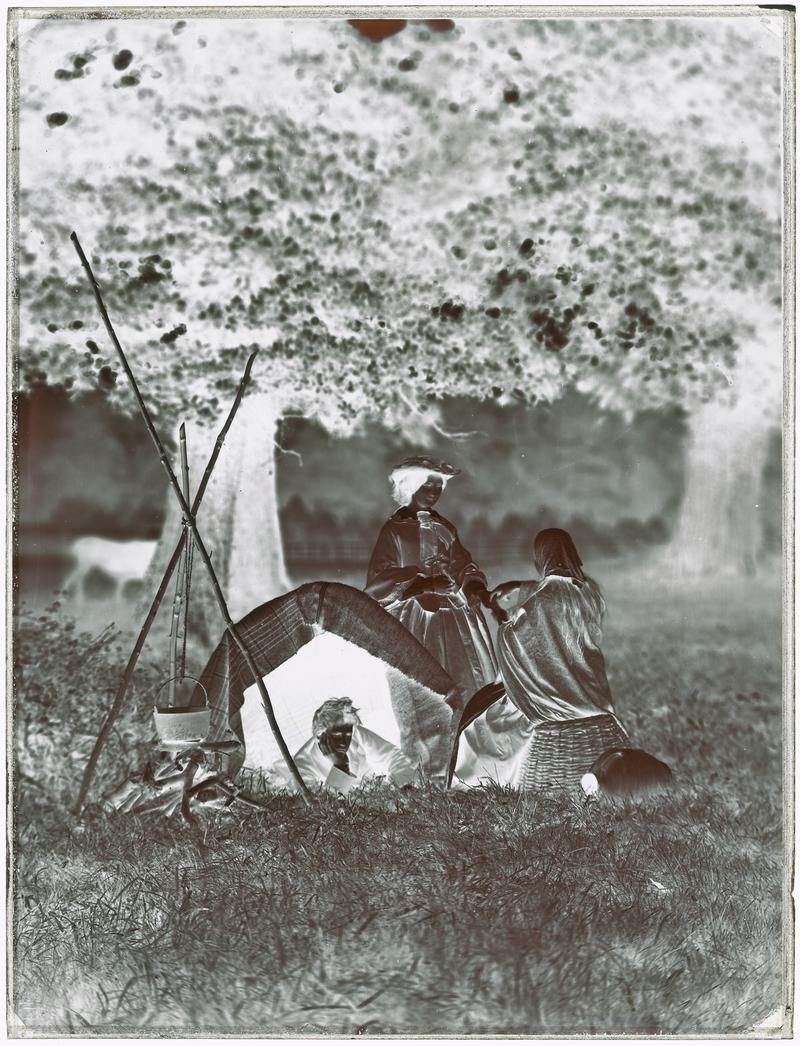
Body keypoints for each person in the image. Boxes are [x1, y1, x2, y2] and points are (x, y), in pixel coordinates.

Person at [452, 528, 628, 788]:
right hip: (591, 695)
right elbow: (559, 597)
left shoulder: (540, 602)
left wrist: (504, 621)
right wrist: (521, 589)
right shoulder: (589, 594)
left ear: (541, 559)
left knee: (480, 722)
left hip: (552, 700)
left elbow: (516, 637)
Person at [365, 456, 498, 695]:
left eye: (438, 487)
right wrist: (426, 584)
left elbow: (463, 564)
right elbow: (380, 576)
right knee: (424, 683)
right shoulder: (395, 528)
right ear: (411, 486)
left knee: (466, 677)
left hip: (454, 612)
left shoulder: (444, 527)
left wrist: (474, 587)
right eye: (427, 485)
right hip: (416, 614)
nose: (434, 492)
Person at [282, 697, 420, 794]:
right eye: (336, 736)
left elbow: (392, 756)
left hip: (373, 793)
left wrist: (405, 786)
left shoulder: (356, 734)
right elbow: (316, 807)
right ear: (320, 736)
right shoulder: (303, 763)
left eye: (347, 735)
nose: (344, 742)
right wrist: (340, 766)